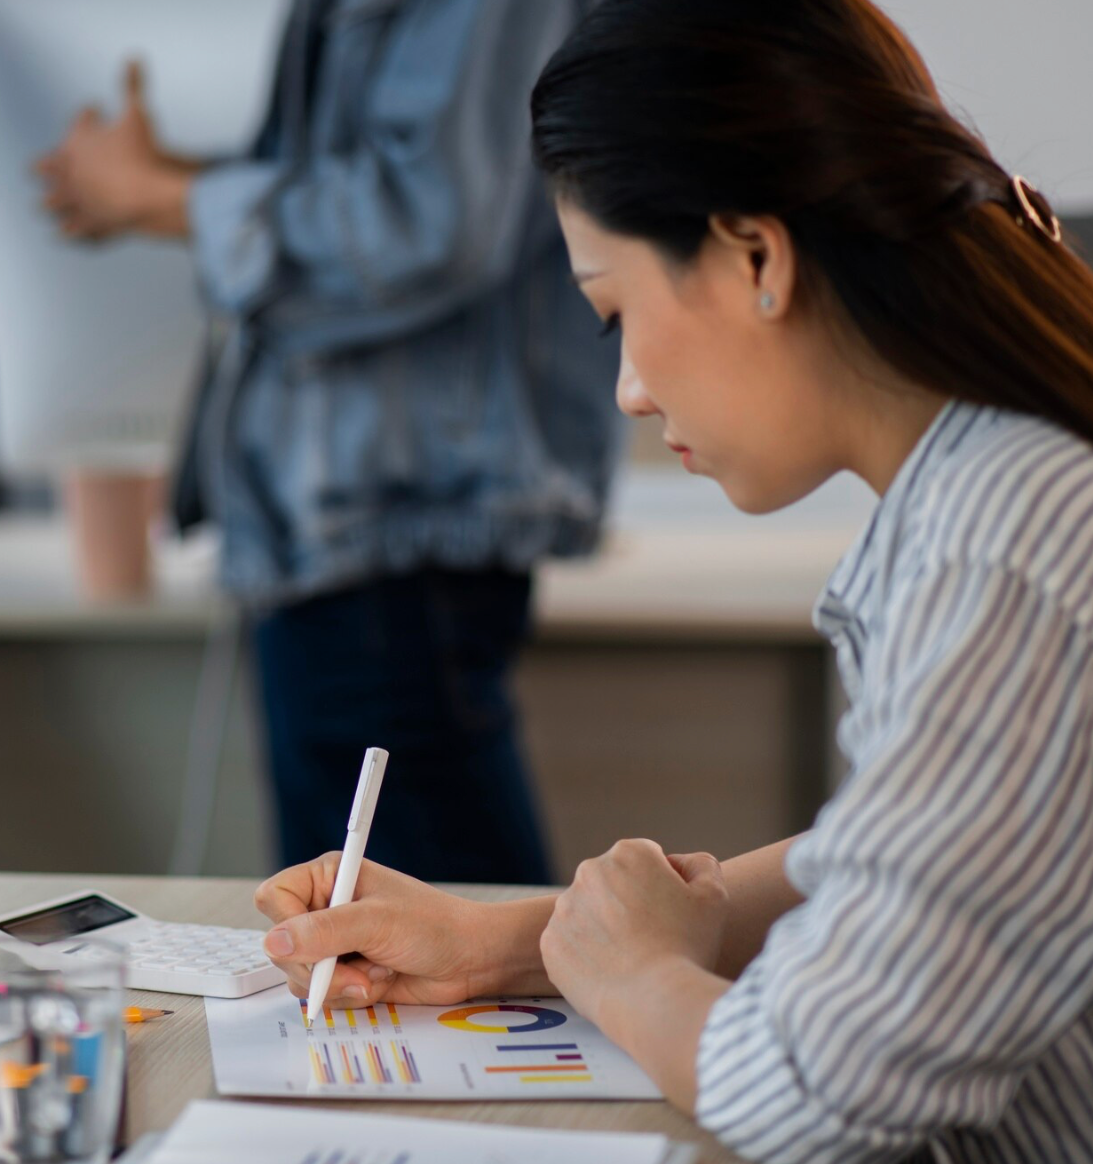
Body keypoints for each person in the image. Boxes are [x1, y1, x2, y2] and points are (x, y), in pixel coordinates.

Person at [253, 1, 1093, 1159]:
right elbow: (917, 868)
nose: (631, 394)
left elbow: (815, 1093)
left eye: (614, 317)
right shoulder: (987, 492)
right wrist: (513, 943)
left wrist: (637, 973)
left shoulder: (1002, 549)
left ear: (756, 255)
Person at [36, 0, 619, 884]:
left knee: (439, 971)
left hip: (394, 525)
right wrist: (177, 187)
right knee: (384, 958)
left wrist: (168, 199)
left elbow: (432, 221)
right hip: (344, 528)